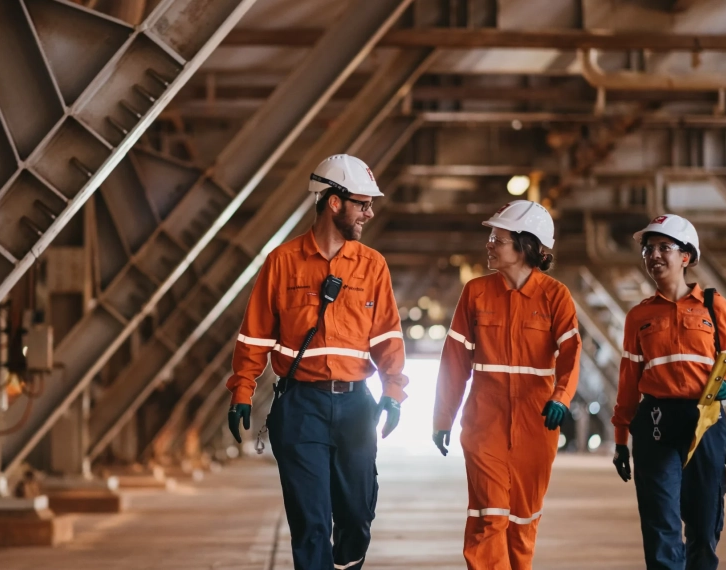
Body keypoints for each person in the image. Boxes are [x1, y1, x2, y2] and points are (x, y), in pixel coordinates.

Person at [225, 154, 408, 570]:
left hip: (355, 408)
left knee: (357, 518)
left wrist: (394, 392)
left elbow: (387, 338)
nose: (370, 212)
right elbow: (254, 336)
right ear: (334, 202)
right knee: (309, 524)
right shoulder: (281, 263)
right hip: (300, 408)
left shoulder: (372, 265)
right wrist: (242, 390)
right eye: (363, 203)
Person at [433, 200, 580, 570]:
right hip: (485, 422)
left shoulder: (555, 297)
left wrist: (562, 397)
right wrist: (442, 418)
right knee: (489, 518)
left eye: (497, 237)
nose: (489, 244)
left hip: (537, 424)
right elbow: (454, 363)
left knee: (523, 523)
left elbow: (571, 354)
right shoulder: (476, 293)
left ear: (525, 245)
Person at [611, 214, 726, 570]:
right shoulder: (638, 316)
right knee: (661, 524)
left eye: (663, 248)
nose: (653, 255)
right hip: (656, 425)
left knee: (704, 523)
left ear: (686, 256)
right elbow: (628, 380)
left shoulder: (714, 307)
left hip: (705, 422)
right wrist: (619, 439)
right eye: (648, 249)